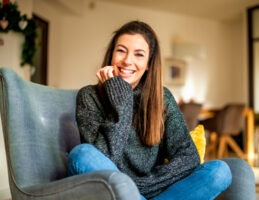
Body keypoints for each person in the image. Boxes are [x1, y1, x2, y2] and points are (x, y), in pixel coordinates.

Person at [67, 20, 233, 200]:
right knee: (82, 154)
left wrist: (138, 187)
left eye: (139, 54)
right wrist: (121, 103)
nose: (127, 60)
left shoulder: (162, 98)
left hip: (149, 189)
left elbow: (188, 156)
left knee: (219, 171)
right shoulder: (89, 96)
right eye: (121, 50)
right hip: (111, 187)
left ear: (148, 64)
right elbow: (102, 161)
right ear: (111, 56)